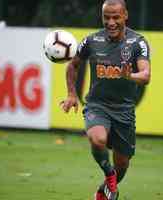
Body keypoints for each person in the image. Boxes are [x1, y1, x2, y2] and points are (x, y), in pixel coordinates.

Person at [60, 0, 151, 199]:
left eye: (115, 17)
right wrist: (71, 94)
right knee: (97, 138)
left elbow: (145, 75)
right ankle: (109, 174)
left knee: (123, 165)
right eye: (106, 17)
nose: (110, 22)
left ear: (125, 15)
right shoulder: (91, 41)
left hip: (124, 110)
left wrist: (130, 76)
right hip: (97, 105)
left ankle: (103, 190)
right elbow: (72, 65)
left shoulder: (138, 43)